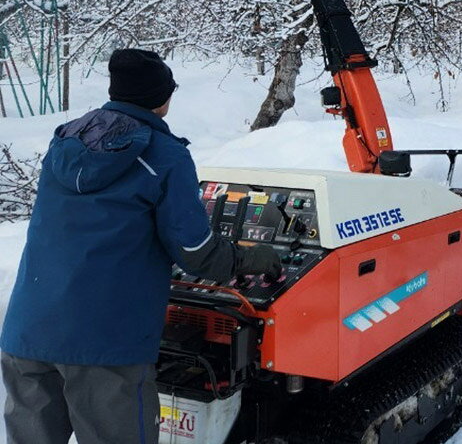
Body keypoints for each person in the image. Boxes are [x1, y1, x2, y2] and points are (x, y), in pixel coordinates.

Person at [0, 48, 280, 444]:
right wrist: (256, 259)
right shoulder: (165, 156)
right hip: (105, 343)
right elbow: (199, 254)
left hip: (28, 332)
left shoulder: (65, 142)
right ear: (162, 99)